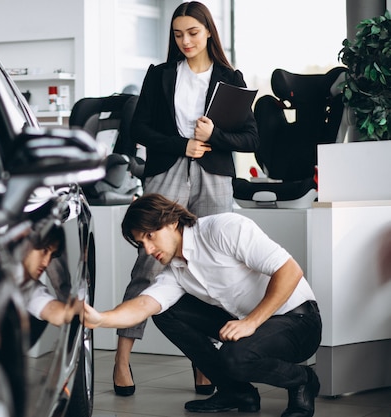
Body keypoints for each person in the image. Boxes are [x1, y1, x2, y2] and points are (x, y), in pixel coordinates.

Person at [114, 1, 260, 396]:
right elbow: (140, 127)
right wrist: (183, 145)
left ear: (209, 31)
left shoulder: (231, 78)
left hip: (214, 176)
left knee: (210, 264)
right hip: (168, 171)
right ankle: (122, 359)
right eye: (178, 34)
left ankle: (204, 364)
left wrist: (211, 138)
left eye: (193, 33)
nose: (185, 41)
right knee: (148, 263)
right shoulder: (160, 75)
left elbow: (250, 137)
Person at [84, 194, 322, 416]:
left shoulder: (223, 228)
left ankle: (302, 380)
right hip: (250, 324)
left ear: (171, 221)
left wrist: (251, 322)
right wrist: (101, 319)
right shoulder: (175, 271)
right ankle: (236, 392)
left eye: (150, 235)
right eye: (140, 243)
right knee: (167, 311)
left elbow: (290, 270)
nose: (147, 249)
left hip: (299, 321)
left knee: (234, 357)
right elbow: (144, 304)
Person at [21, 226, 77, 346]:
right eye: (44, 251)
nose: (46, 263)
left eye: (52, 256)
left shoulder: (30, 287)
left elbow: (52, 310)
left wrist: (84, 311)